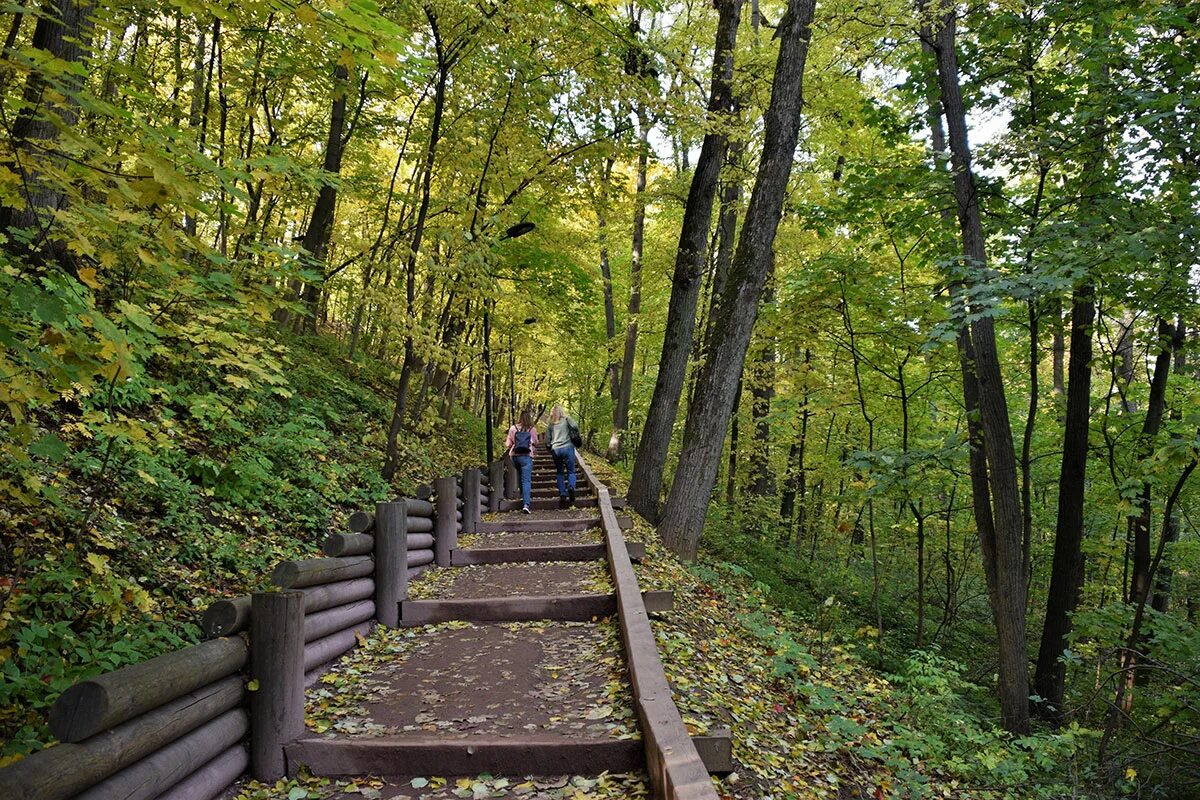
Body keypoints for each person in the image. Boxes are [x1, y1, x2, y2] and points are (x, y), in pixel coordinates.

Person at [505, 407, 539, 513]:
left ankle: (522, 497)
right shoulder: (532, 429)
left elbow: (508, 444)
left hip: (515, 457)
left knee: (520, 477)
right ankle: (526, 504)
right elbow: (536, 442)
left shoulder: (513, 428)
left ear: (520, 417)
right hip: (526, 456)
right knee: (526, 480)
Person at [545, 405, 579, 508]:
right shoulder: (567, 420)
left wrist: (550, 448)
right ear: (561, 412)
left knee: (560, 472)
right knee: (571, 471)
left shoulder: (550, 425)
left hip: (556, 450)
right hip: (568, 448)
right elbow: (575, 427)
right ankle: (571, 487)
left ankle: (562, 494)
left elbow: (547, 440)